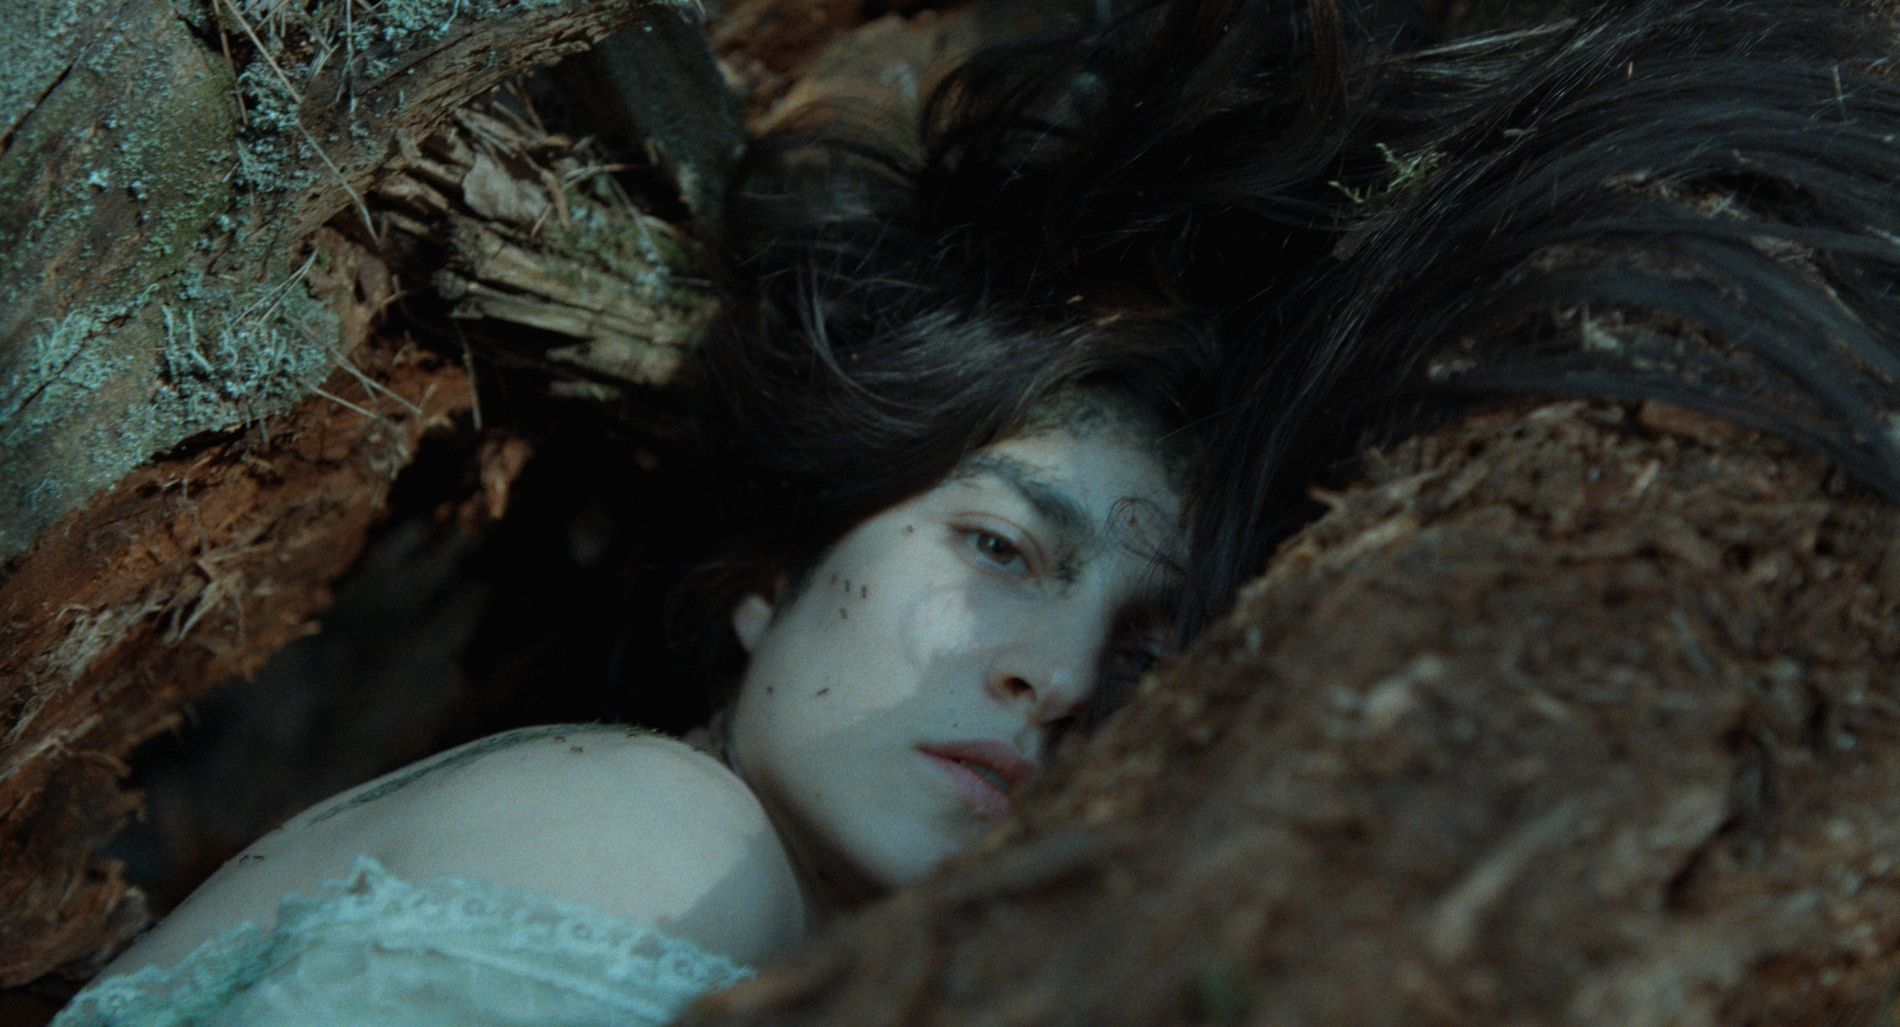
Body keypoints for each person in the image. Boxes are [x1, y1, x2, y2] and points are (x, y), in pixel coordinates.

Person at [56, 0, 1900, 1020]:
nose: (1052, 679)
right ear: (777, 574)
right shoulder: (639, 831)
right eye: (1004, 549)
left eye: (1143, 649)